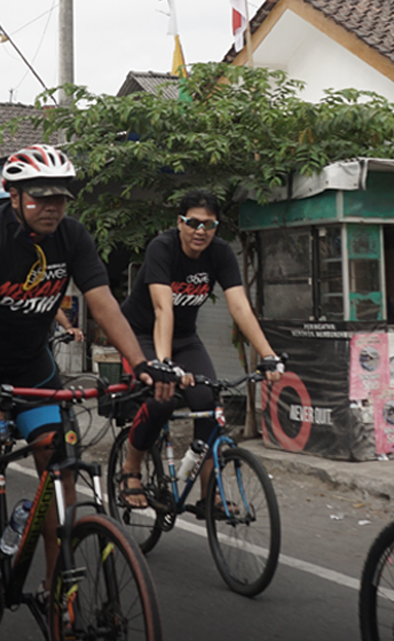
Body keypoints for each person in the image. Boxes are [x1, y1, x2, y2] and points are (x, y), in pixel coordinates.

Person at [0, 143, 177, 580]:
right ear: (13, 196)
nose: (51, 206)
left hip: (31, 362)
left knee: (59, 466)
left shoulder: (73, 235)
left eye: (60, 197)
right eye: (39, 196)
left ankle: (56, 589)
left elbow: (103, 304)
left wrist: (142, 363)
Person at [118, 188, 283, 516]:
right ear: (179, 223)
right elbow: (162, 308)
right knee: (161, 397)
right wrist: (164, 366)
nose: (200, 231)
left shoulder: (220, 254)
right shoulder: (162, 248)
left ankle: (209, 496)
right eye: (193, 223)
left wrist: (268, 354)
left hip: (185, 337)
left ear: (217, 227)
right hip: (140, 334)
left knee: (208, 404)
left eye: (208, 224)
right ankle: (131, 467)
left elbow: (239, 305)